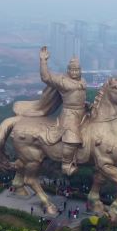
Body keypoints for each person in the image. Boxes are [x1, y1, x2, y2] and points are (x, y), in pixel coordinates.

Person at [13, 46, 88, 175]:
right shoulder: (63, 81)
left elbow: (79, 98)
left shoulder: (82, 81)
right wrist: (43, 61)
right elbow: (46, 77)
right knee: (72, 137)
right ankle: (66, 164)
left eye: (77, 70)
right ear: (68, 70)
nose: (75, 72)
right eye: (73, 70)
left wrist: (87, 104)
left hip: (83, 112)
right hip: (69, 114)